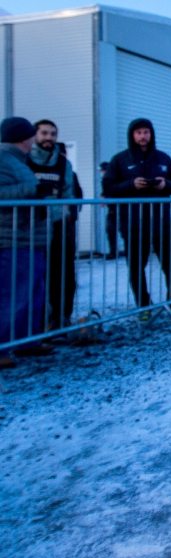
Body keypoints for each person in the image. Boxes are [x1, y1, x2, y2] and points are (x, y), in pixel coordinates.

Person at [101, 118, 171, 316]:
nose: (143, 136)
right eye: (139, 132)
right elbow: (108, 187)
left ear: (151, 134)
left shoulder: (163, 158)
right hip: (133, 224)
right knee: (136, 267)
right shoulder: (120, 160)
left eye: (146, 132)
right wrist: (131, 185)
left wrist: (163, 184)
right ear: (132, 135)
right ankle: (144, 306)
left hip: (162, 223)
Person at [0, 116, 46, 369]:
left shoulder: (18, 160)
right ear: (22, 137)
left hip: (30, 237)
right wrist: (30, 191)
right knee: (12, 293)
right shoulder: (4, 159)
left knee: (32, 290)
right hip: (12, 237)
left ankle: (29, 339)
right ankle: (3, 345)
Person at [29, 120, 80, 329]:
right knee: (34, 277)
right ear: (35, 136)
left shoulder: (62, 163)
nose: (48, 137)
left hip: (59, 226)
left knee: (63, 275)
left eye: (52, 134)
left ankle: (61, 318)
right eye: (44, 133)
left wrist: (65, 215)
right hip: (29, 227)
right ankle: (34, 323)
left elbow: (69, 192)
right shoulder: (25, 161)